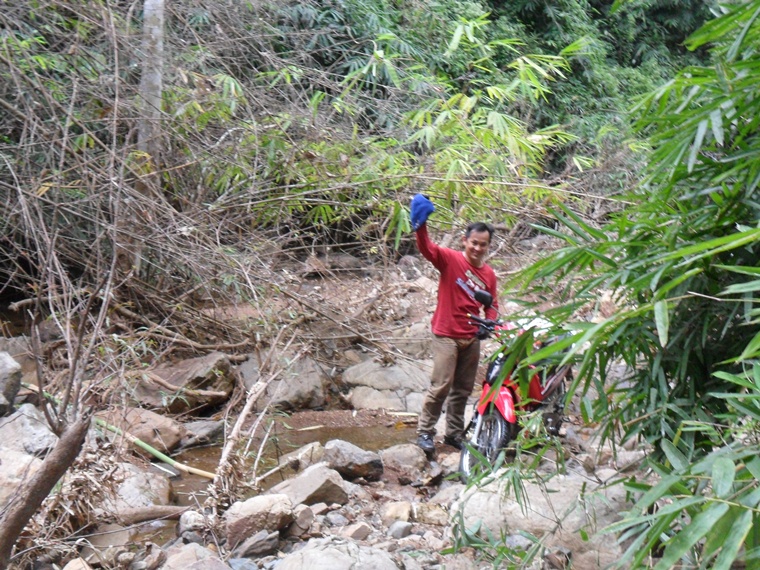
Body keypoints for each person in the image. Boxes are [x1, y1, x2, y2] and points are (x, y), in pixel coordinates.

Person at [409, 194, 499, 454]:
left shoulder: (488, 274)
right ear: (465, 240)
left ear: (488, 246)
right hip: (446, 334)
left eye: (483, 245)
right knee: (441, 385)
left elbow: (492, 305)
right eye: (474, 243)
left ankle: (453, 434)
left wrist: (488, 324)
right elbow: (427, 249)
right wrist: (421, 226)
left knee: (463, 389)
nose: (477, 248)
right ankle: (425, 432)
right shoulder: (450, 259)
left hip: (471, 337)